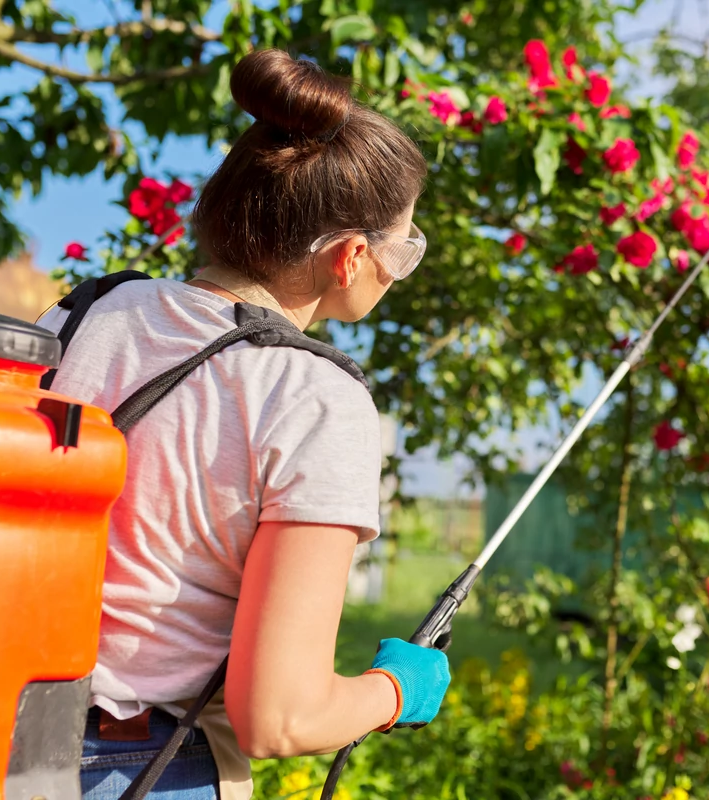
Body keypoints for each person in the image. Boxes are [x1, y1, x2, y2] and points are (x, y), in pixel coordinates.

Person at [37, 48, 452, 800]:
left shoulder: (86, 309)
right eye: (406, 248)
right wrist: (397, 691)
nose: (400, 268)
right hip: (145, 769)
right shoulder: (316, 397)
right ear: (352, 257)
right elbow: (279, 716)